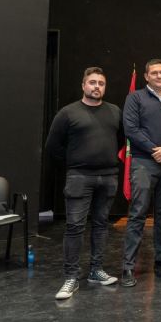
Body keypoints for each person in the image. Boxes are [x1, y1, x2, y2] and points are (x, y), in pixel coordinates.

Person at [45, 67, 122, 300]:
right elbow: (53, 147)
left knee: (101, 225)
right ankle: (71, 277)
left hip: (108, 177)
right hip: (79, 177)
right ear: (83, 85)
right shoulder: (68, 113)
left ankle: (96, 271)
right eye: (92, 82)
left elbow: (119, 141)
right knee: (74, 227)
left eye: (101, 83)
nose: (96, 86)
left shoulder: (115, 111)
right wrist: (76, 162)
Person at [121, 58, 161, 287]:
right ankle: (128, 266)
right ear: (146, 76)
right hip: (143, 163)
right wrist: (155, 150)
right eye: (154, 73)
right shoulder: (135, 98)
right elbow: (130, 129)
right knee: (138, 214)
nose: (159, 76)